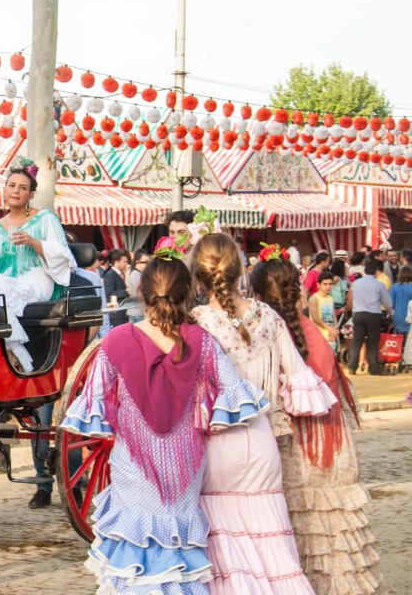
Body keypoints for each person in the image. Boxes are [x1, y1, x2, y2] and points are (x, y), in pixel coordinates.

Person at [62, 239, 269, 594]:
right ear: (187, 294)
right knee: (178, 560)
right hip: (184, 465)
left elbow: (93, 402)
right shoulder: (201, 342)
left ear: (141, 293)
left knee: (135, 557)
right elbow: (234, 395)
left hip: (133, 466)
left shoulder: (115, 342)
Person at [190, 234, 336, 593]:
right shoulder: (269, 317)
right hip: (262, 441)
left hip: (215, 443)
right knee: (273, 551)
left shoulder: (195, 323)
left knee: (224, 552)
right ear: (240, 270)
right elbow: (300, 378)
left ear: (197, 276)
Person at [249, 256, 381, 594]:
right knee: (333, 539)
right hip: (330, 449)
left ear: (257, 295)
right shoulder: (310, 332)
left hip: (296, 452)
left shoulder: (268, 335)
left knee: (299, 534)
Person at [0, 160, 73, 372]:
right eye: (12, 186)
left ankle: (18, 356)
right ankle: (12, 349)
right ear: (4, 190)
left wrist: (33, 242)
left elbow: (62, 254)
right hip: (4, 282)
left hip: (35, 281)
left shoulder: (46, 219)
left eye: (23, 188)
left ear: (31, 195)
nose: (16, 191)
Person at [349, 259, 392, 376]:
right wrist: (391, 311)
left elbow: (351, 297)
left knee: (357, 341)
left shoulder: (356, 283)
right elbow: (387, 302)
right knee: (372, 342)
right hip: (373, 315)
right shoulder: (379, 284)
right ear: (376, 271)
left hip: (358, 314)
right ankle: (374, 368)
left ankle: (352, 366)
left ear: (365, 270)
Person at [307, 271, 340, 352]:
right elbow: (315, 318)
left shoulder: (330, 298)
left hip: (331, 335)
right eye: (325, 284)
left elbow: (334, 316)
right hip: (319, 336)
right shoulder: (314, 299)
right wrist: (330, 329)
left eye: (330, 284)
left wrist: (335, 330)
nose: (328, 287)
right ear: (318, 284)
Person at [100, 250, 130, 328]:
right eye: (124, 262)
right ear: (116, 262)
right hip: (116, 314)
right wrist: (126, 291)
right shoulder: (110, 275)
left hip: (122, 312)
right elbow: (109, 293)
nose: (126, 264)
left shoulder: (121, 273)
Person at [126, 249, 149, 324]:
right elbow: (142, 292)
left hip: (138, 310)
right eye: (145, 262)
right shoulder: (135, 274)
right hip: (137, 311)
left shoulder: (137, 273)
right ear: (137, 262)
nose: (147, 264)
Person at [391, 266, 412, 337]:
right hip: (410, 317)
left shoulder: (394, 287)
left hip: (398, 317)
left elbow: (391, 304)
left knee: (399, 340)